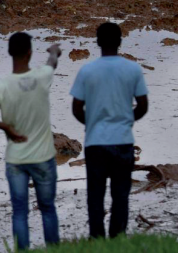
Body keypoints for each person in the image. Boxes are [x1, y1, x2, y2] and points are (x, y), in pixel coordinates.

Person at [0, 32, 62, 251]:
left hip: (16, 160)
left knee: (19, 212)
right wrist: (54, 50)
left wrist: (6, 127)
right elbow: (52, 62)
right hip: (43, 158)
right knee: (48, 209)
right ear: (30, 52)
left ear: (9, 53)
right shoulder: (42, 76)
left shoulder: (2, 86)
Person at [70, 22, 149, 239]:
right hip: (122, 142)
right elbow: (143, 106)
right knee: (121, 195)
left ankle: (97, 240)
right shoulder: (132, 69)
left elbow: (76, 108)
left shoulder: (87, 71)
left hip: (95, 143)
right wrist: (125, 121)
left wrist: (92, 122)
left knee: (95, 196)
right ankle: (118, 240)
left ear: (97, 42)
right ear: (120, 41)